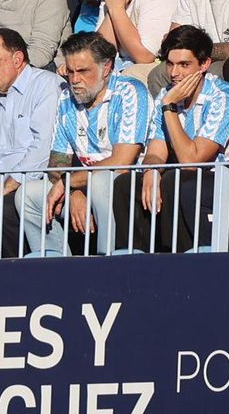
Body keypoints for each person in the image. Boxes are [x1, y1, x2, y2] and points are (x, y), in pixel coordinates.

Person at [136, 26, 229, 252]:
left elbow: (192, 159)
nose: (174, 73)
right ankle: (133, 262)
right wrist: (150, 171)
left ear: (204, 65)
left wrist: (169, 108)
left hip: (222, 179)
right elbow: (155, 151)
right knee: (128, 184)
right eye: (170, 63)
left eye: (184, 65)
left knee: (176, 180)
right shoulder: (167, 94)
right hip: (182, 177)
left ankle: (181, 260)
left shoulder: (224, 96)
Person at [44, 33, 150, 256]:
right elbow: (56, 164)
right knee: (29, 194)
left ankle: (107, 261)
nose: (74, 80)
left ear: (107, 68)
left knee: (103, 180)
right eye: (70, 71)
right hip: (82, 182)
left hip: (129, 183)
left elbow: (121, 163)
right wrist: (73, 191)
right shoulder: (66, 98)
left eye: (83, 71)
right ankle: (50, 267)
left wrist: (69, 183)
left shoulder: (130, 92)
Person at [0, 28, 63, 258]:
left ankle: (16, 281)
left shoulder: (45, 85)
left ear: (17, 59)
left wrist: (2, 189)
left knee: (2, 210)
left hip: (34, 185)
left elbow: (42, 149)